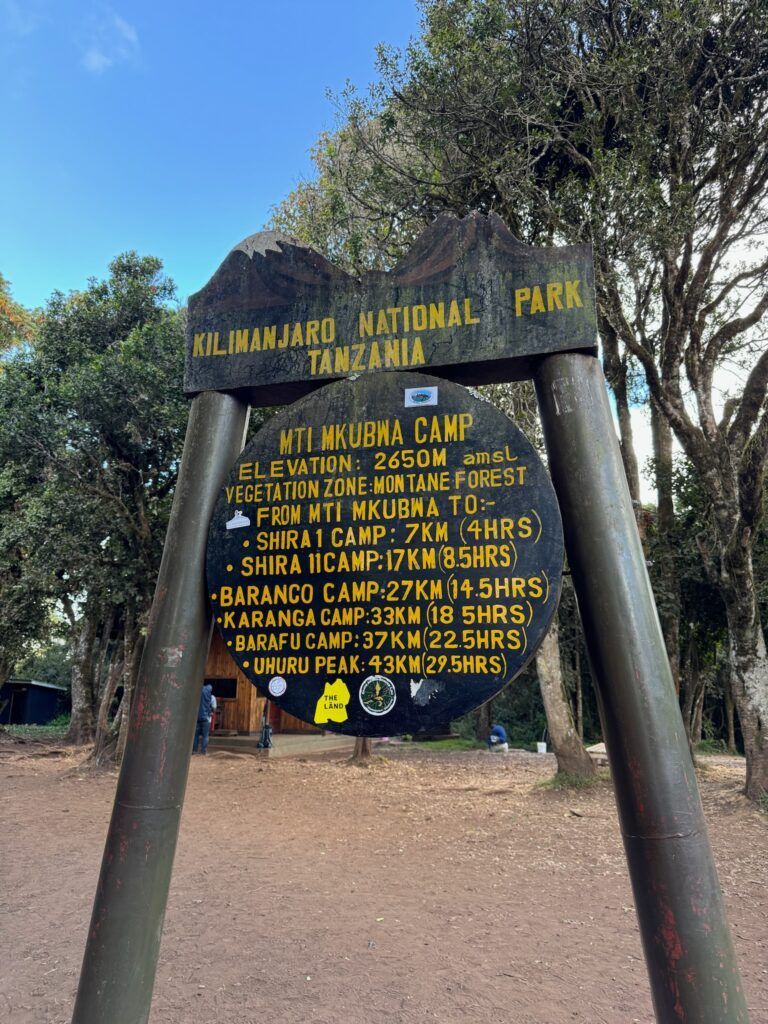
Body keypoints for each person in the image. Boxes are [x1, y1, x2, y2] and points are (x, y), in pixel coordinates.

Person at [193, 682, 216, 755]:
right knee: (205, 735)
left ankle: (194, 751)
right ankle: (203, 751)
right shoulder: (212, 697)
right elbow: (214, 708)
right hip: (206, 718)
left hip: (197, 718)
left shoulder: (197, 696)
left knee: (196, 735)